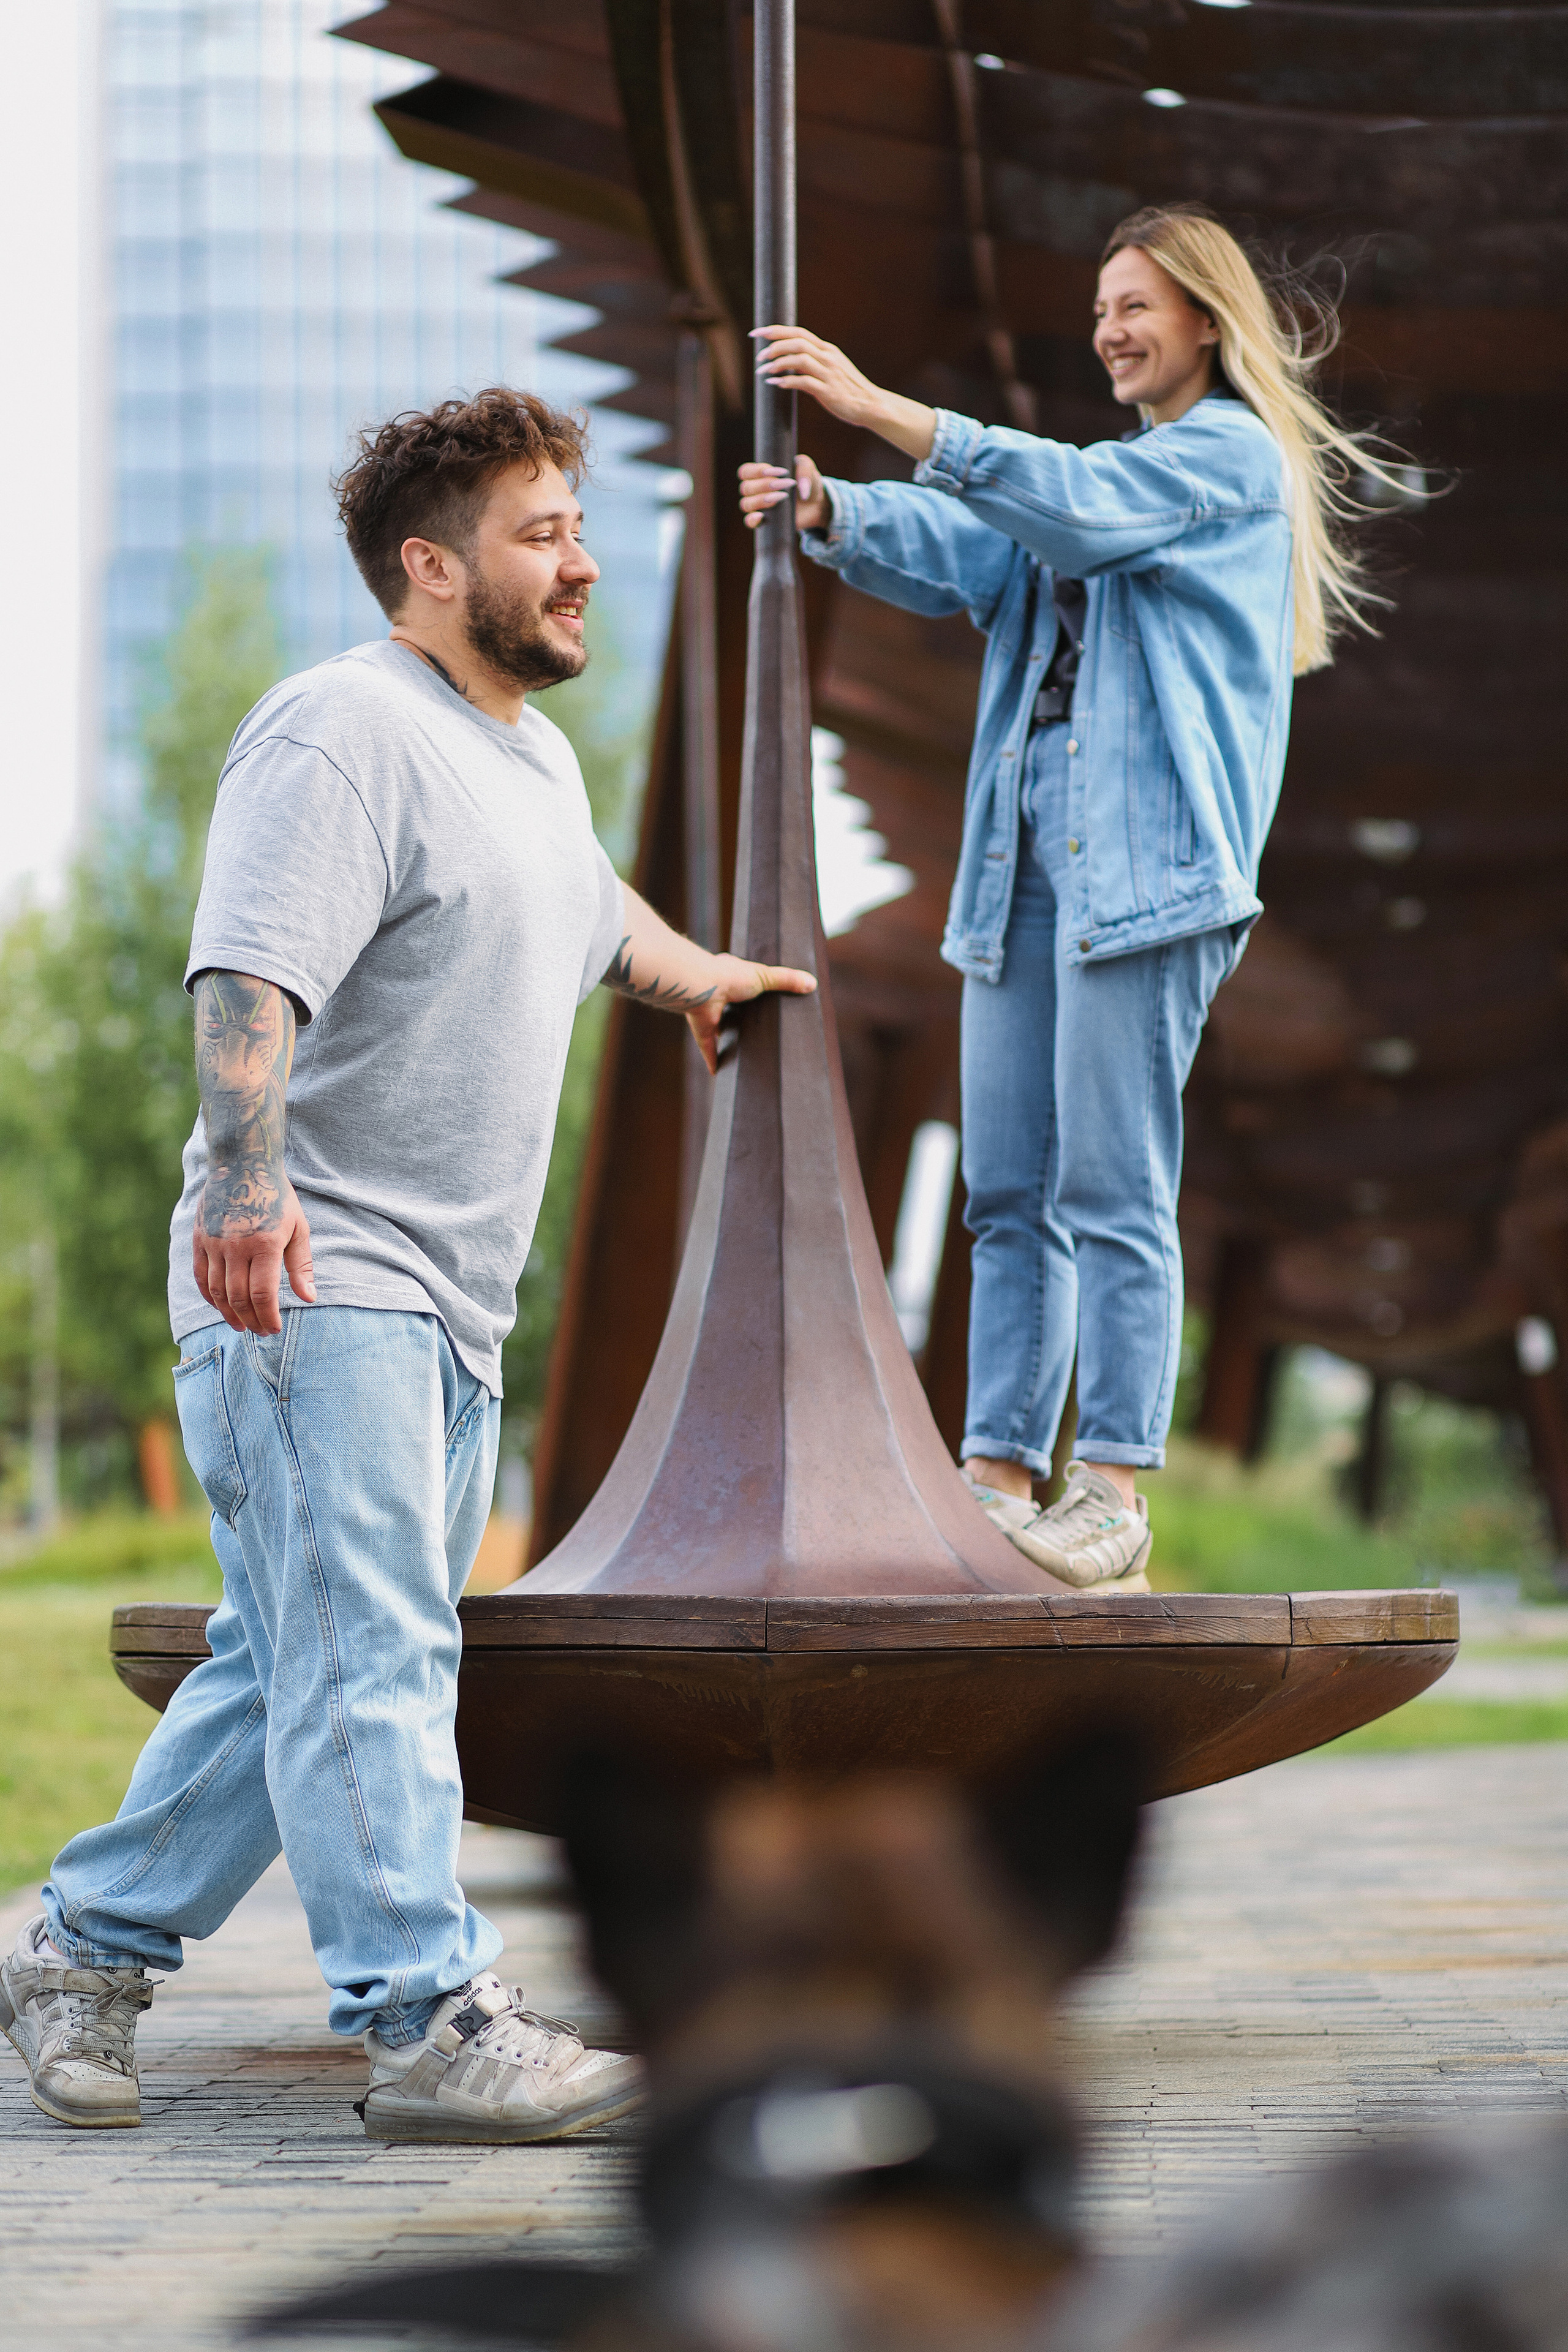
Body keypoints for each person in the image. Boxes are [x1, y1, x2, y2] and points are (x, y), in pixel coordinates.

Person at [0, 388, 815, 2140]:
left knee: (293, 1657)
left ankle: (79, 1947)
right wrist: (244, 1189)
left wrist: (706, 980)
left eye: (577, 528)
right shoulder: (342, 729)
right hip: (319, 1277)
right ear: (432, 568)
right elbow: (247, 973)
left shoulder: (528, 761)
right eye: (542, 535)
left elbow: (589, 910)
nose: (581, 564)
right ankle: (425, 2017)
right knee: (372, 1654)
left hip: (448, 1311)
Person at [741, 203, 1397, 1593]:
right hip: (1021, 858)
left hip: (1146, 873)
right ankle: (994, 1479)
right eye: (1099, 308)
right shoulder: (1105, 477)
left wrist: (881, 411)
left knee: (1110, 1184)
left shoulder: (1223, 460)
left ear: (1205, 319)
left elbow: (1077, 513)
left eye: (1134, 304)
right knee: (1006, 1186)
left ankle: (1110, 1490)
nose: (1108, 329)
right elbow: (988, 553)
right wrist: (836, 508)